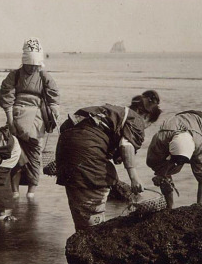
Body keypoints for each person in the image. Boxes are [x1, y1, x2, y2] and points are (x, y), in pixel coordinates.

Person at [56, 91, 162, 231]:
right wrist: (134, 177)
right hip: (88, 151)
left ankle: (83, 236)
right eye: (149, 124)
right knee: (96, 192)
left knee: (79, 201)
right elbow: (126, 145)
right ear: (147, 116)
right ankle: (92, 238)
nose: (145, 128)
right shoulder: (136, 119)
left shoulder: (113, 111)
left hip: (65, 146)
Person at [0, 37, 60, 199]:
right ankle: (15, 191)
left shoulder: (44, 76)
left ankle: (31, 192)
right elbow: (6, 96)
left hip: (36, 118)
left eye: (35, 65)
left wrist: (54, 112)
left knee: (34, 156)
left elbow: (54, 96)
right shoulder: (15, 76)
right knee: (15, 155)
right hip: (16, 116)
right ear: (24, 62)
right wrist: (10, 120)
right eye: (30, 64)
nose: (32, 67)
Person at [146, 110, 202, 209]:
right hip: (180, 125)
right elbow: (154, 162)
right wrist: (161, 174)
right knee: (163, 169)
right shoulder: (161, 139)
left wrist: (199, 209)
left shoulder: (200, 145)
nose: (180, 164)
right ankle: (170, 207)